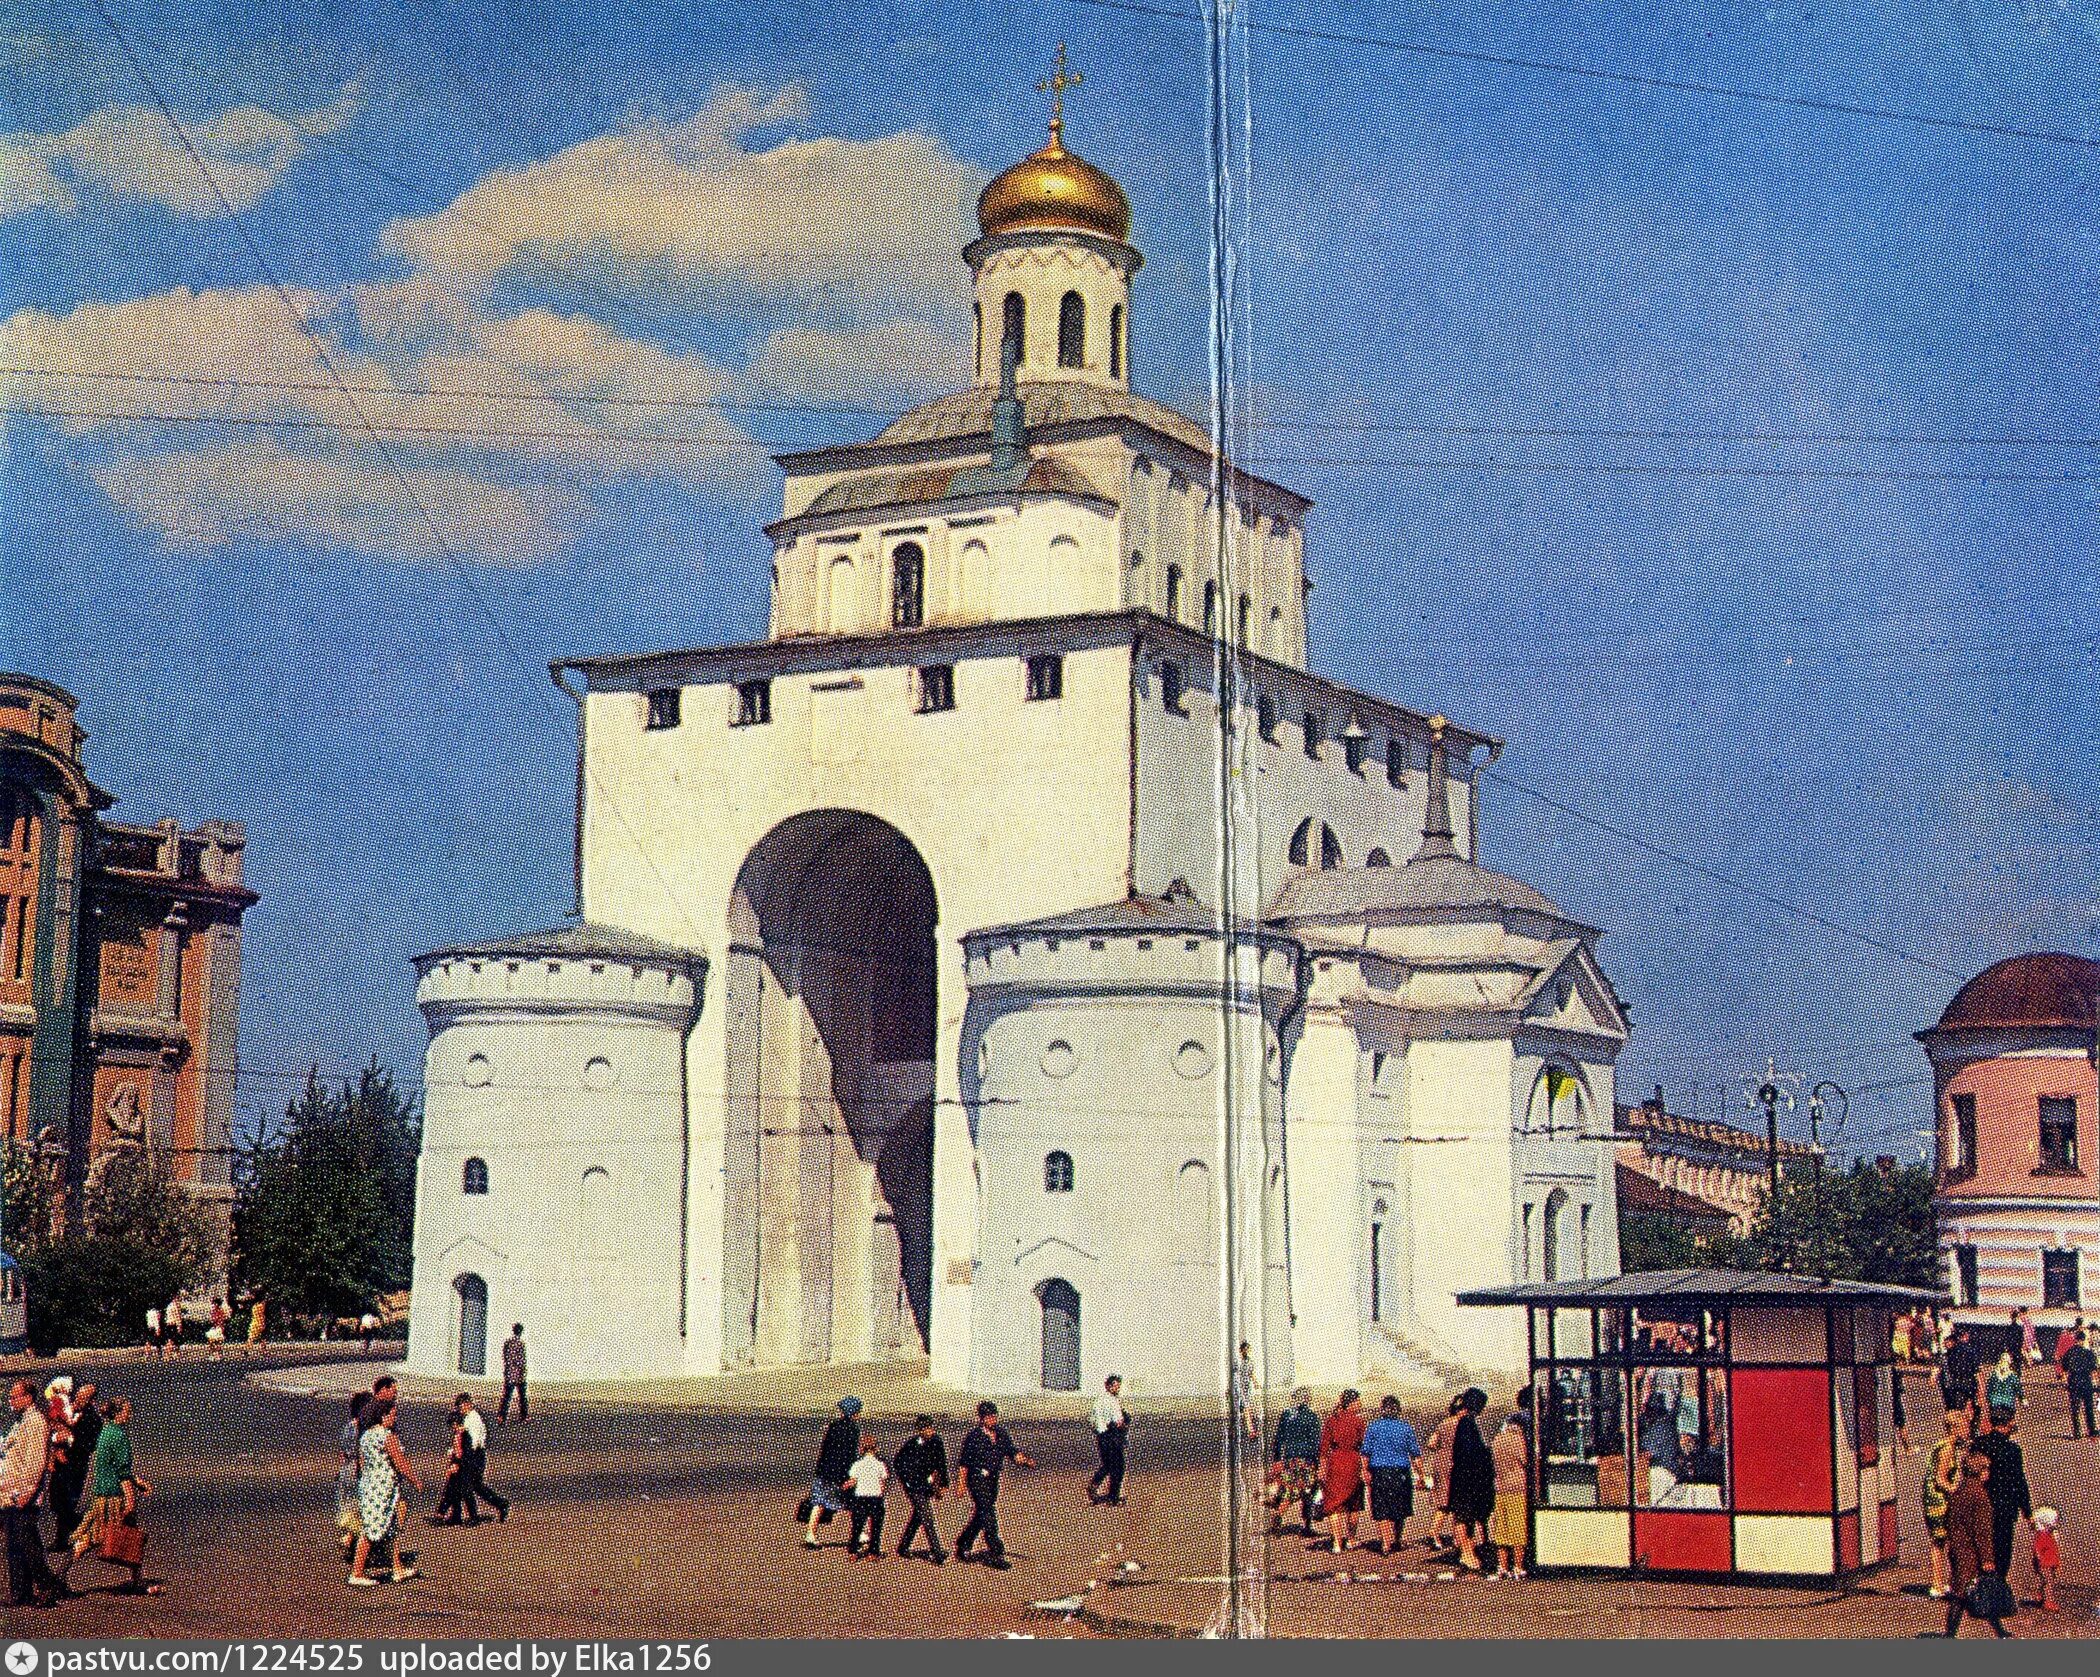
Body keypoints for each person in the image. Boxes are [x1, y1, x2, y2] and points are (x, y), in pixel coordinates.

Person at [54, 1395, 158, 1596]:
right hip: (113, 1496)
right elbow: (122, 1472)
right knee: (128, 1536)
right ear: (119, 1413)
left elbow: (111, 1465)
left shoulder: (105, 1432)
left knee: (90, 1537)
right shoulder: (119, 1436)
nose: (130, 1413)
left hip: (101, 1493)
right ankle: (136, 1581)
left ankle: (60, 1576)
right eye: (127, 1410)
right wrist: (130, 1498)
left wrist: (138, 1482)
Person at [347, 1397, 421, 1587]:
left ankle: (397, 1569)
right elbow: (401, 1463)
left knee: (389, 1527)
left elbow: (362, 1464)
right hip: (382, 1489)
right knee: (371, 1531)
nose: (394, 1419)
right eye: (392, 1415)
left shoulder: (366, 1437)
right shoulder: (387, 1437)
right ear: (383, 1416)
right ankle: (356, 1573)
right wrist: (416, 1481)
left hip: (369, 1487)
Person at [1939, 1449, 2012, 1637]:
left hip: (1957, 1548)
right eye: (1987, 1469)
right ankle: (1950, 1634)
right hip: (1970, 1552)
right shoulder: (1980, 1497)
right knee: (1964, 1594)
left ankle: (1999, 1630)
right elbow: (1982, 1532)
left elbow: (1949, 1520)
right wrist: (1987, 1558)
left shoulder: (1959, 1491)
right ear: (1982, 1471)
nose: (1989, 1473)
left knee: (1968, 1590)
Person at [2, 1378, 62, 1607]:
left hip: (22, 1494)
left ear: (28, 1398)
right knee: (15, 1546)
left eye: (14, 1396)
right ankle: (21, 1592)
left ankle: (47, 1587)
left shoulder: (35, 1421)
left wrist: (26, 1491)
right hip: (10, 1493)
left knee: (28, 1545)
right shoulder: (21, 1421)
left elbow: (35, 1462)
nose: (10, 1401)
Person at [954, 1400, 1033, 1569]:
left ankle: (963, 1544)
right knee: (988, 1514)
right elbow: (964, 1463)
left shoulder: (1001, 1434)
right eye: (989, 1417)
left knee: (982, 1514)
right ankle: (996, 1552)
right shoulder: (974, 1437)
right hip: (977, 1479)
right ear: (981, 1418)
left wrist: (1024, 1460)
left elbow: (1011, 1451)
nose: (992, 1419)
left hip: (992, 1480)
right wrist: (961, 1484)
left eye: (994, 1416)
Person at [1973, 1405, 2032, 1580]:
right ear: (2008, 1423)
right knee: (2002, 1551)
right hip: (2005, 1508)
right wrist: (2027, 1511)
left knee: (1982, 1547)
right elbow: (2019, 1483)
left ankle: (1981, 1587)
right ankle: (1998, 1586)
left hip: (1982, 1504)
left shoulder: (1979, 1444)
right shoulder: (2013, 1450)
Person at [1360, 1395, 1422, 1555]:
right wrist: (1421, 1474)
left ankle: (1386, 1543)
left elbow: (1365, 1453)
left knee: (1382, 1508)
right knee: (1399, 1508)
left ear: (1382, 1410)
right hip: (1400, 1472)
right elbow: (1415, 1454)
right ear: (1398, 1410)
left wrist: (1365, 1471)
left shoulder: (1373, 1427)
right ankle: (1396, 1540)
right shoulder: (1406, 1428)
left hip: (1380, 1471)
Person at [1445, 1387, 1496, 1574]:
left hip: (1461, 1478)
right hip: (1467, 1480)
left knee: (1464, 1517)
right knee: (1464, 1518)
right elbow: (1471, 1453)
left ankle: (1467, 1551)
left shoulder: (1464, 1422)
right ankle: (1467, 1553)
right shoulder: (1468, 1424)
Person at [1923, 1406, 1970, 1599]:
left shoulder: (1946, 1446)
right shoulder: (1947, 1449)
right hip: (1938, 1500)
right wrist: (1955, 1491)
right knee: (1940, 1541)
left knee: (1942, 1541)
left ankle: (1942, 1583)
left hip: (1934, 1498)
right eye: (1964, 1426)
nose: (1967, 1429)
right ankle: (1938, 1583)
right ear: (1955, 1428)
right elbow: (1940, 1479)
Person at [804, 1396, 861, 1549]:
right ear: (855, 1412)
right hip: (841, 1474)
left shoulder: (832, 1426)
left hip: (824, 1472)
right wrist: (850, 1476)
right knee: (853, 1503)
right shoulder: (854, 1429)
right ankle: (860, 1533)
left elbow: (825, 1451)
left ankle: (811, 1534)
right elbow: (850, 1455)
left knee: (819, 1503)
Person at [891, 1416, 948, 1564]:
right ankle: (938, 1552)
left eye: (929, 1427)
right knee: (927, 1517)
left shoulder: (937, 1441)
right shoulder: (912, 1444)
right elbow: (898, 1462)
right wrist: (907, 1481)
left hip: (927, 1485)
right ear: (919, 1430)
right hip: (913, 1486)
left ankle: (903, 1547)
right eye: (924, 1428)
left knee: (918, 1517)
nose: (928, 1431)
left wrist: (943, 1485)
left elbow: (941, 1463)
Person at [1317, 1389, 1367, 1554]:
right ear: (1351, 1403)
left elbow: (1323, 1449)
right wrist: (1365, 1469)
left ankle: (1337, 1543)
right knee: (1354, 1504)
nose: (1360, 1404)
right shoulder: (1359, 1422)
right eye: (1358, 1402)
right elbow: (1363, 1447)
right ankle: (1351, 1539)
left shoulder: (1331, 1421)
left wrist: (1322, 1470)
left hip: (1336, 1462)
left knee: (1334, 1505)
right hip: (1353, 1461)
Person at [1269, 1388, 1322, 1536]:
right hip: (1306, 1460)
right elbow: (1315, 1443)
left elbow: (1278, 1440)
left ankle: (1279, 1513)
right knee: (1308, 1492)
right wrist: (1317, 1463)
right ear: (1307, 1399)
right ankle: (1307, 1525)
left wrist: (1277, 1460)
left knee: (1289, 1490)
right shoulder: (1312, 1417)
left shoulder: (1286, 1415)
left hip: (1289, 1459)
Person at [1487, 1409, 1530, 1579]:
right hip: (1517, 1487)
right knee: (1517, 1530)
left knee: (1501, 1530)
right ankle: (1518, 1567)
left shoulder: (1497, 1439)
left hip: (1500, 1487)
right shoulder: (1519, 1440)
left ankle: (1502, 1566)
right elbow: (1526, 1461)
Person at [455, 1393, 506, 1524]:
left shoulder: (472, 1419)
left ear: (467, 1405)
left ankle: (474, 1517)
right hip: (476, 1455)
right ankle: (501, 1504)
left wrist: (465, 1457)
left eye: (460, 1407)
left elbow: (474, 1441)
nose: (459, 1410)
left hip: (474, 1455)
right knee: (476, 1486)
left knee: (466, 1486)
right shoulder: (471, 1417)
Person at [1424, 1395, 1462, 1552]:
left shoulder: (1443, 1424)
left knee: (1444, 1501)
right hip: (1455, 1463)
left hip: (1440, 1463)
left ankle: (1436, 1533)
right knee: (1456, 1503)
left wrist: (1442, 1448)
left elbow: (1431, 1443)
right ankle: (1455, 1537)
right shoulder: (1463, 1424)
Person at [335, 1393, 370, 1559]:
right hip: (356, 1470)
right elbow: (361, 1455)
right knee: (360, 1508)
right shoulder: (362, 1430)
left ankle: (349, 1538)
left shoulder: (348, 1426)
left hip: (346, 1470)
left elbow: (343, 1453)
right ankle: (354, 1544)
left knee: (349, 1506)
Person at [1088, 1374, 1129, 1505]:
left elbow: (1092, 1421)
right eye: (1116, 1387)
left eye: (1118, 1387)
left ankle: (1094, 1484)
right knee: (1119, 1467)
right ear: (1109, 1386)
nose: (1117, 1389)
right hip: (1112, 1436)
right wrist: (1125, 1423)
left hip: (1101, 1436)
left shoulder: (1098, 1401)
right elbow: (1118, 1422)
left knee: (1107, 1465)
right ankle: (1113, 1497)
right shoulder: (1112, 1401)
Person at [845, 1438, 889, 1559]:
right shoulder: (880, 1464)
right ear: (876, 1449)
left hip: (860, 1497)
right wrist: (881, 1494)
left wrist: (844, 1486)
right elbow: (882, 1482)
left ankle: (853, 1551)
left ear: (861, 1450)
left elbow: (852, 1481)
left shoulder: (857, 1464)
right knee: (876, 1527)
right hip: (875, 1497)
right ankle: (873, 1552)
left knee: (857, 1526)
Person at [1940, 1326, 1981, 1421]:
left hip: (1955, 1384)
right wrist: (1981, 1388)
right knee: (1970, 1407)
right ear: (1965, 1336)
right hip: (1970, 1383)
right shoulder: (1971, 1351)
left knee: (1956, 1409)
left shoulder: (1950, 1352)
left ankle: (1955, 1429)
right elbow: (1977, 1371)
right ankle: (1970, 1426)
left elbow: (1947, 1369)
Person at [2062, 1328, 2096, 1439]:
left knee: (2075, 1408)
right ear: (2084, 1339)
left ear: (2075, 1339)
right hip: (2086, 1381)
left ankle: (2077, 1432)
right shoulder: (2089, 1353)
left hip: (2073, 1382)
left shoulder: (2069, 1352)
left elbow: (2065, 1367)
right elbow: (2093, 1368)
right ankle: (2091, 1430)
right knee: (2089, 1407)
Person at [2030, 1505, 2060, 1613]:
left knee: (2046, 1580)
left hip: (2048, 1560)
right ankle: (2048, 1600)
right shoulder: (2043, 1535)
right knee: (2048, 1581)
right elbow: (2038, 1548)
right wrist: (2039, 1558)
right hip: (2045, 1561)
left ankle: (2041, 1595)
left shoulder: (2046, 1534)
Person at [498, 1324, 528, 1423]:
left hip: (509, 1374)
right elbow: (521, 1360)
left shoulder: (507, 1343)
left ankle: (502, 1416)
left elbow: (505, 1357)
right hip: (519, 1374)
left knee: (507, 1396)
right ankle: (524, 1416)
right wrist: (523, 1371)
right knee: (522, 1396)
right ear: (520, 1332)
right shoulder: (520, 1344)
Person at [1230, 1342, 1258, 1444]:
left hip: (1246, 1388)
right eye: (1245, 1349)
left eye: (1248, 1349)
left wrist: (1255, 1382)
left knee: (1246, 1409)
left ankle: (1251, 1431)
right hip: (1238, 1388)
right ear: (1241, 1350)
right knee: (1237, 1410)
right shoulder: (1237, 1362)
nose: (1246, 1351)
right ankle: (1233, 1431)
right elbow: (1234, 1376)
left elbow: (1251, 1373)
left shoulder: (1250, 1361)